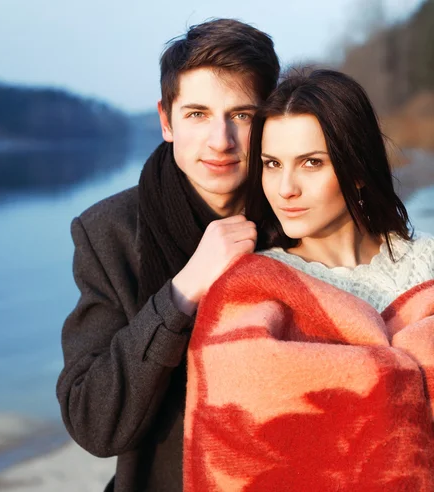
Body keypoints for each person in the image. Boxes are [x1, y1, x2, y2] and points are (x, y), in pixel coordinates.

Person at [56, 18, 280, 492]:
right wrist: (181, 293)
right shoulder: (110, 232)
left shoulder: (298, 219)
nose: (221, 140)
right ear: (166, 120)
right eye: (198, 113)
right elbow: (93, 424)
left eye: (242, 115)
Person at [184, 69, 434, 491]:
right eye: (272, 164)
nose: (285, 189)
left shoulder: (428, 261)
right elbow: (227, 449)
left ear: (357, 167)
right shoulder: (250, 291)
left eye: (311, 163)